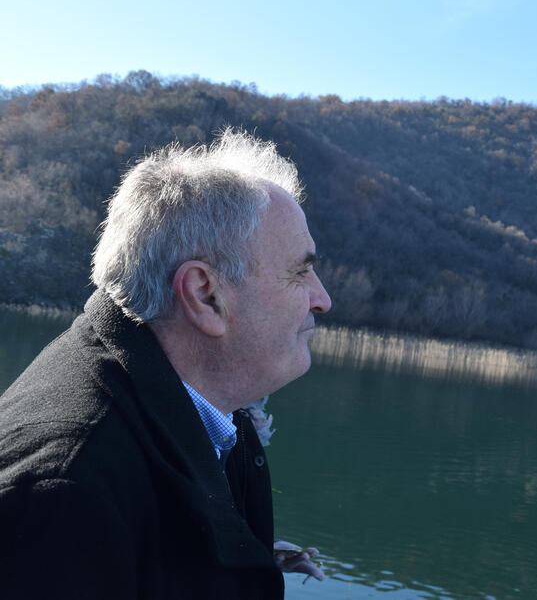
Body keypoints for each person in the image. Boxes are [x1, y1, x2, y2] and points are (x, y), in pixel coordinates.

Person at [0, 129, 332, 599]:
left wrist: (235, 562)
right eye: (300, 271)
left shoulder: (200, 403)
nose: (322, 299)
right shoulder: (66, 497)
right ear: (205, 295)